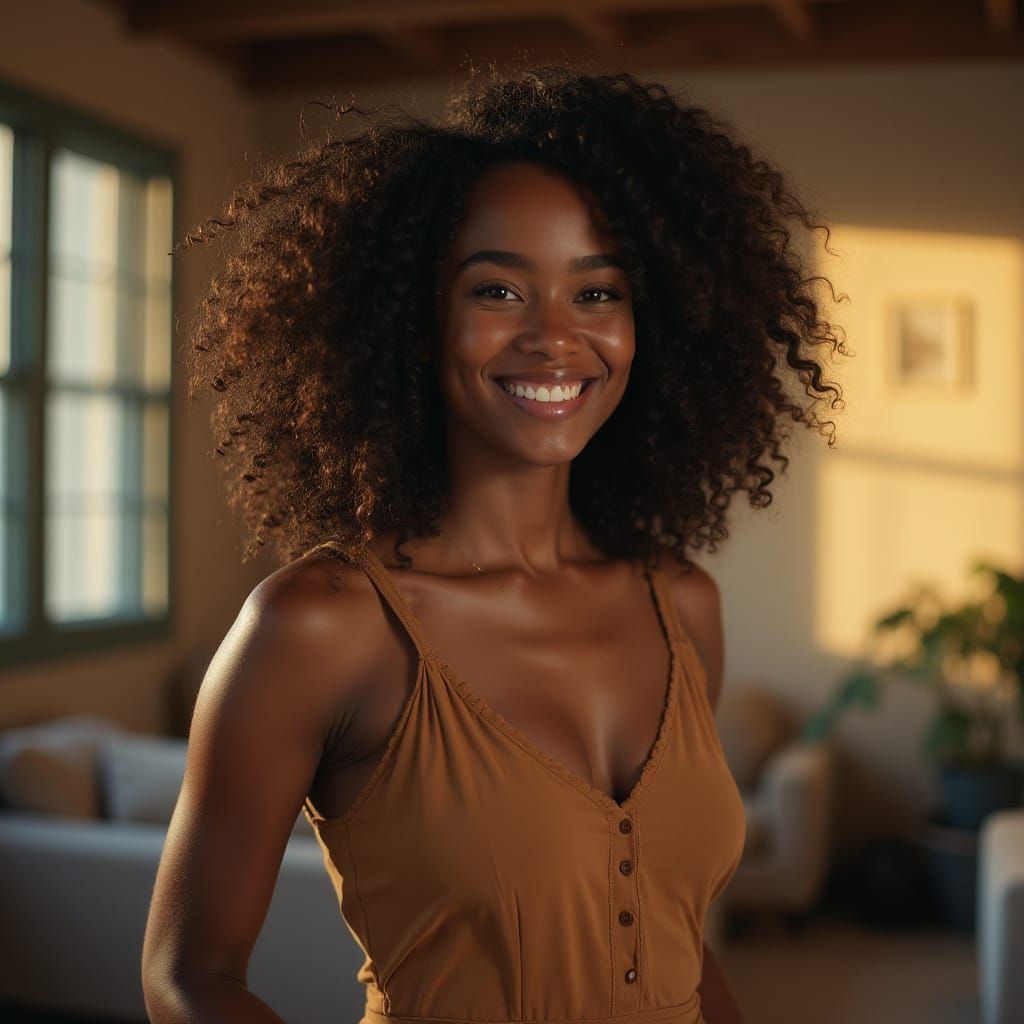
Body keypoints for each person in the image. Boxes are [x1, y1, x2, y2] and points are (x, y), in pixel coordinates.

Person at [142, 64, 846, 1024]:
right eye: (499, 290)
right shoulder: (323, 626)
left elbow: (674, 952)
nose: (556, 338)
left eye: (598, 294)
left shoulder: (681, 603)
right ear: (414, 323)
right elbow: (190, 977)